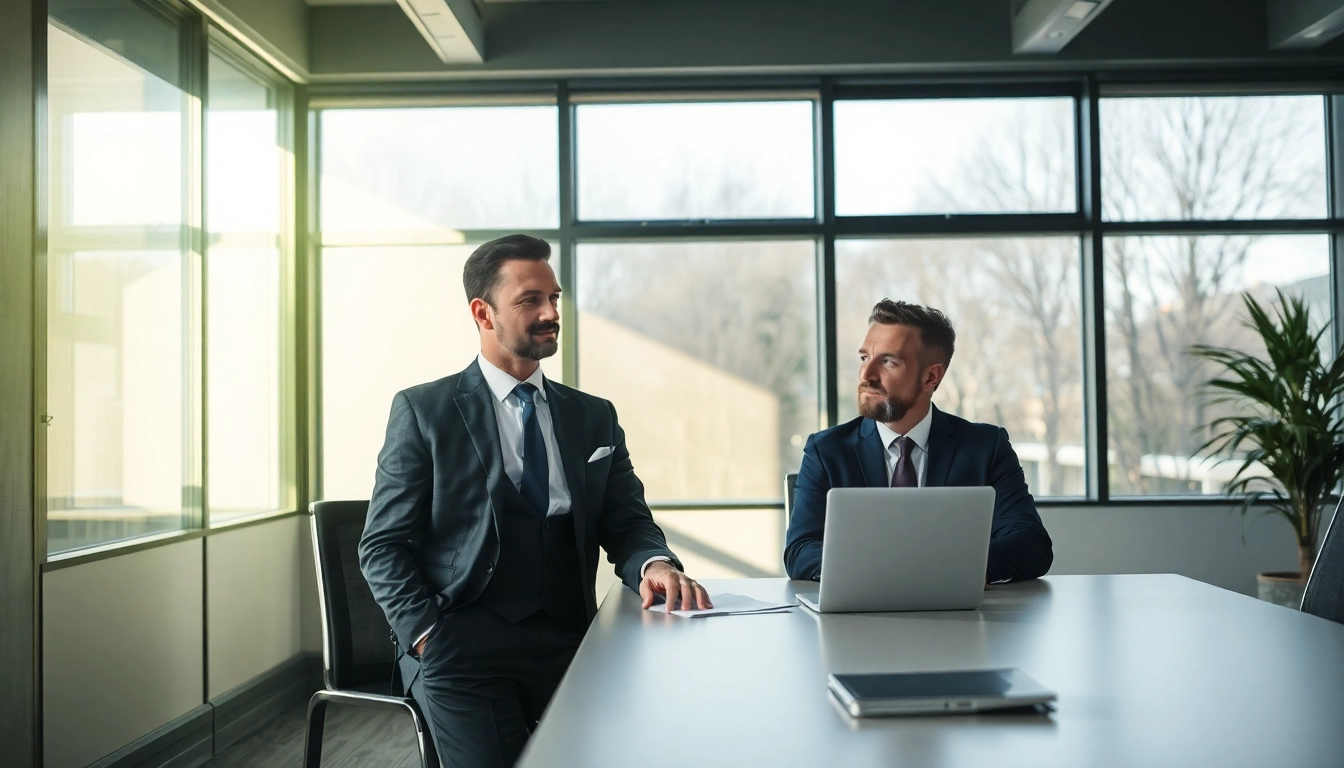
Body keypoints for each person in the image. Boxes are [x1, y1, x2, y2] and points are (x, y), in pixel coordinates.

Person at [359, 234, 710, 768]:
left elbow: (628, 523)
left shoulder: (592, 416)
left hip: (570, 642)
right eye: (530, 300)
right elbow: (382, 546)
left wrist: (654, 563)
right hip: (461, 646)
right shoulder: (424, 412)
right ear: (483, 313)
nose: (551, 312)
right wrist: (427, 635)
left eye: (555, 297)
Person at [784, 299, 1053, 584]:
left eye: (888, 361)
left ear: (931, 377)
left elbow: (1032, 544)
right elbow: (800, 551)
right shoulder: (826, 451)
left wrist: (948, 569)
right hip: (854, 618)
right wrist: (886, 569)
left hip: (960, 621)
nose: (866, 375)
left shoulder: (986, 447)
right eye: (865, 358)